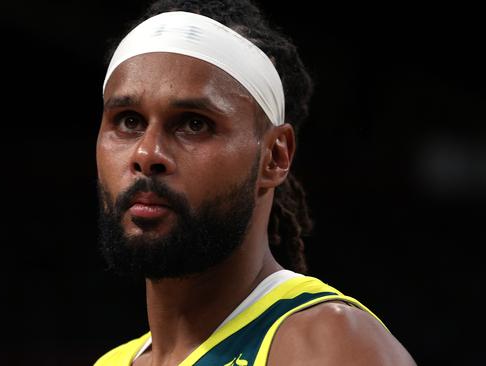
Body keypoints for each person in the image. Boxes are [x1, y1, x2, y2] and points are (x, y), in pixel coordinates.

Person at [94, 0, 416, 364]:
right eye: (129, 121)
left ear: (275, 157)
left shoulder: (327, 347)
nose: (147, 152)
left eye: (194, 123)